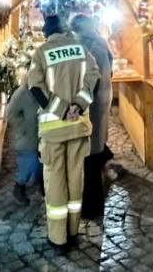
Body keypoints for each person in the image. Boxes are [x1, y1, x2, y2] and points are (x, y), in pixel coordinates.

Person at [26, 15, 99, 254]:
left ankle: (58, 239)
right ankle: (73, 231)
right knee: (76, 179)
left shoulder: (41, 52)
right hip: (78, 126)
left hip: (53, 130)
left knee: (55, 182)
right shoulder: (81, 50)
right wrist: (77, 105)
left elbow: (35, 87)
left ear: (47, 32)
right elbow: (93, 78)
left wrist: (60, 110)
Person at [70, 14, 113, 220]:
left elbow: (88, 79)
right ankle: (92, 203)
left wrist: (79, 103)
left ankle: (92, 206)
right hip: (102, 100)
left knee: (90, 156)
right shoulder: (100, 42)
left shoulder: (87, 45)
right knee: (95, 151)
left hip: (92, 104)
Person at [6, 81, 42, 205]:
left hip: (39, 134)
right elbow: (10, 113)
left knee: (40, 162)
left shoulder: (42, 88)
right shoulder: (22, 92)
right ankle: (19, 186)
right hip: (26, 137)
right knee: (30, 162)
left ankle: (42, 186)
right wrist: (23, 127)